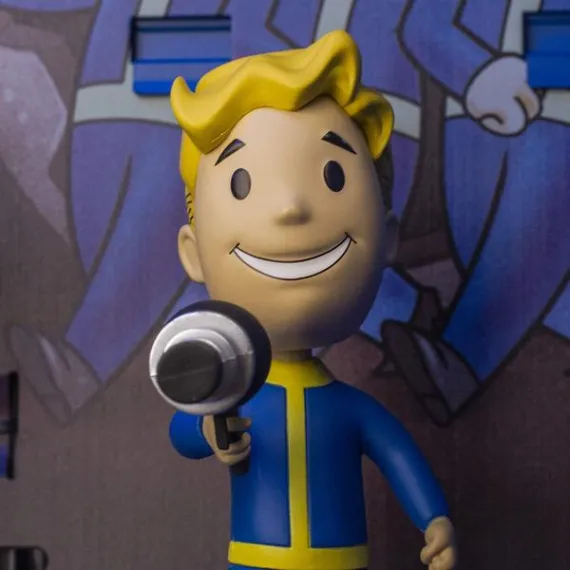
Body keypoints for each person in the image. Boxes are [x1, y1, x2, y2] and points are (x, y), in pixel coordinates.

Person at [165, 30, 457, 570]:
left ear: (387, 239)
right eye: (242, 183)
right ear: (194, 252)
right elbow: (184, 430)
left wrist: (434, 518)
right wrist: (208, 428)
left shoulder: (349, 408)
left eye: (332, 175)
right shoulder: (234, 398)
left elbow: (398, 454)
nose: (291, 209)